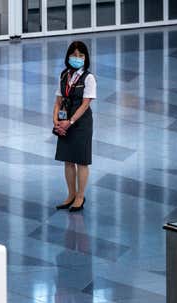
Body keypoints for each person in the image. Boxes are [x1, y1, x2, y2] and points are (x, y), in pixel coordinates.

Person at [52, 41, 96, 212]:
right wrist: (55, 119)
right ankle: (70, 194)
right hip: (64, 122)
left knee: (81, 161)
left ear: (86, 58)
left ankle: (80, 196)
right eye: (74, 55)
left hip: (80, 124)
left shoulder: (88, 78)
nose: (77, 58)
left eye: (81, 55)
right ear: (68, 56)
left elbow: (85, 104)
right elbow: (58, 100)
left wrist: (70, 122)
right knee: (68, 160)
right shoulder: (64, 75)